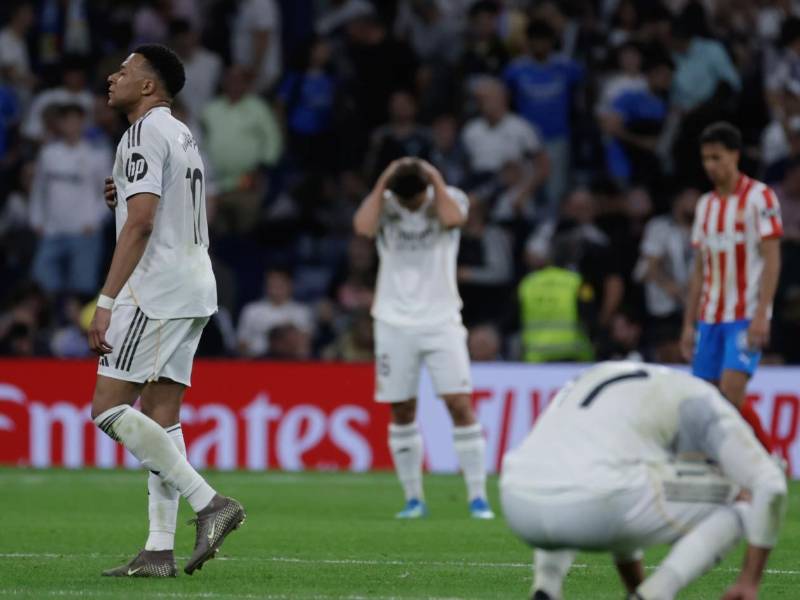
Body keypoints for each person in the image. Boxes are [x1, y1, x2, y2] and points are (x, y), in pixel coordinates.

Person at [88, 44, 245, 578]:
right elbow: (157, 203)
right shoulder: (180, 131)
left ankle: (211, 503)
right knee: (161, 418)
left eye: (125, 72)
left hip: (155, 292)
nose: (113, 78)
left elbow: (142, 224)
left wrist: (105, 303)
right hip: (195, 284)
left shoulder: (141, 132)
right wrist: (125, 192)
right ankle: (158, 550)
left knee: (107, 408)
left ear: (150, 86)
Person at [501, 361, 788, 600]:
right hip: (595, 501)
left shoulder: (618, 379)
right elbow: (770, 484)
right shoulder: (704, 402)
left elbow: (628, 508)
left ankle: (546, 587)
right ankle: (657, 594)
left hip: (515, 496)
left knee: (591, 472)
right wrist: (749, 582)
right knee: (741, 498)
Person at [353, 157, 494, 520]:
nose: (411, 208)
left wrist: (434, 177)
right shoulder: (385, 204)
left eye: (415, 201)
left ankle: (478, 497)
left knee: (459, 403)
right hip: (393, 321)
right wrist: (384, 177)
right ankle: (414, 498)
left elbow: (453, 220)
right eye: (406, 202)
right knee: (401, 409)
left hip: (442, 320)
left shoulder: (448, 199)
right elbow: (362, 227)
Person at [680, 122, 783, 451]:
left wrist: (762, 314)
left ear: (735, 155)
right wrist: (688, 323)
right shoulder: (705, 206)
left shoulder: (760, 197)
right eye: (706, 159)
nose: (710, 166)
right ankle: (745, 465)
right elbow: (698, 270)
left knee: (731, 392)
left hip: (744, 315)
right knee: (712, 401)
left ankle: (769, 458)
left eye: (717, 158)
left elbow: (772, 259)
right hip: (709, 317)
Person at [29, 103, 110, 296]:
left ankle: (76, 326)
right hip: (52, 230)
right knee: (42, 283)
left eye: (76, 120)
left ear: (83, 123)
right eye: (67, 120)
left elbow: (108, 192)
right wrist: (37, 220)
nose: (71, 125)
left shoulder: (97, 155)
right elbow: (39, 190)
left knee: (82, 289)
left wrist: (95, 220)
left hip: (84, 231)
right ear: (60, 124)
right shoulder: (48, 154)